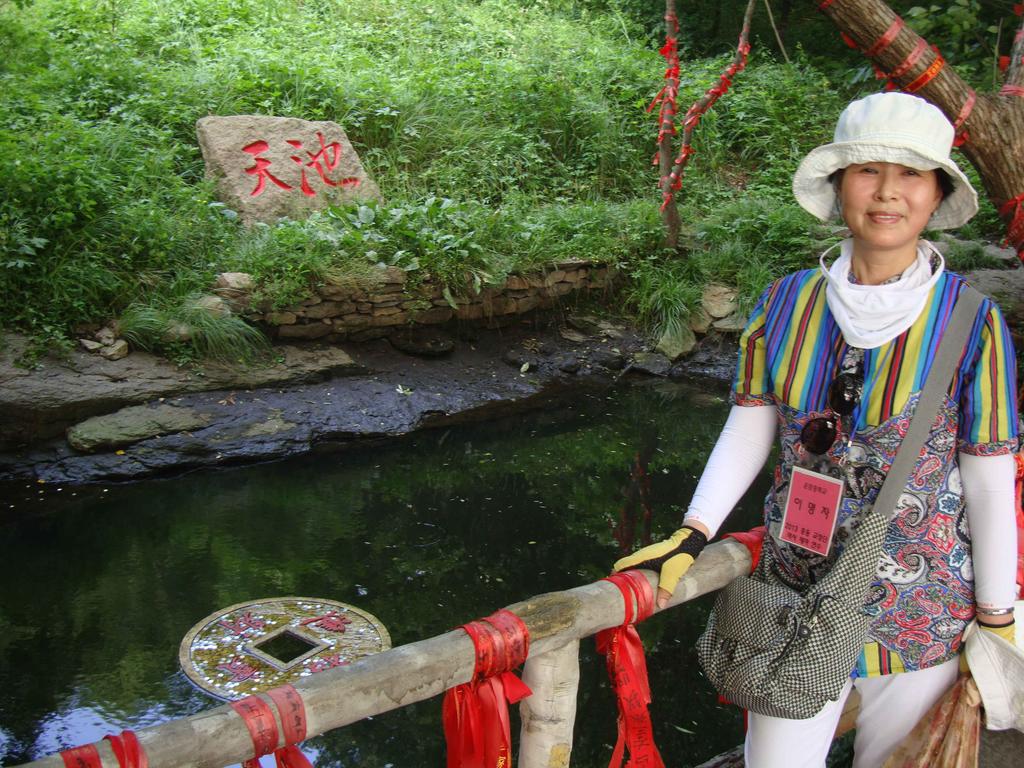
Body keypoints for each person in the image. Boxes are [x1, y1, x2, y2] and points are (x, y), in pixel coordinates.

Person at [614, 91, 1019, 768]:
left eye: (911, 174)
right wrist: (693, 530)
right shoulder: (787, 300)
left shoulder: (974, 321)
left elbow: (988, 478)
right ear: (838, 188)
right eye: (867, 171)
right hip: (790, 592)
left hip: (923, 607)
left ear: (937, 192)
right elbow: (750, 427)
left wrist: (998, 617)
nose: (888, 192)